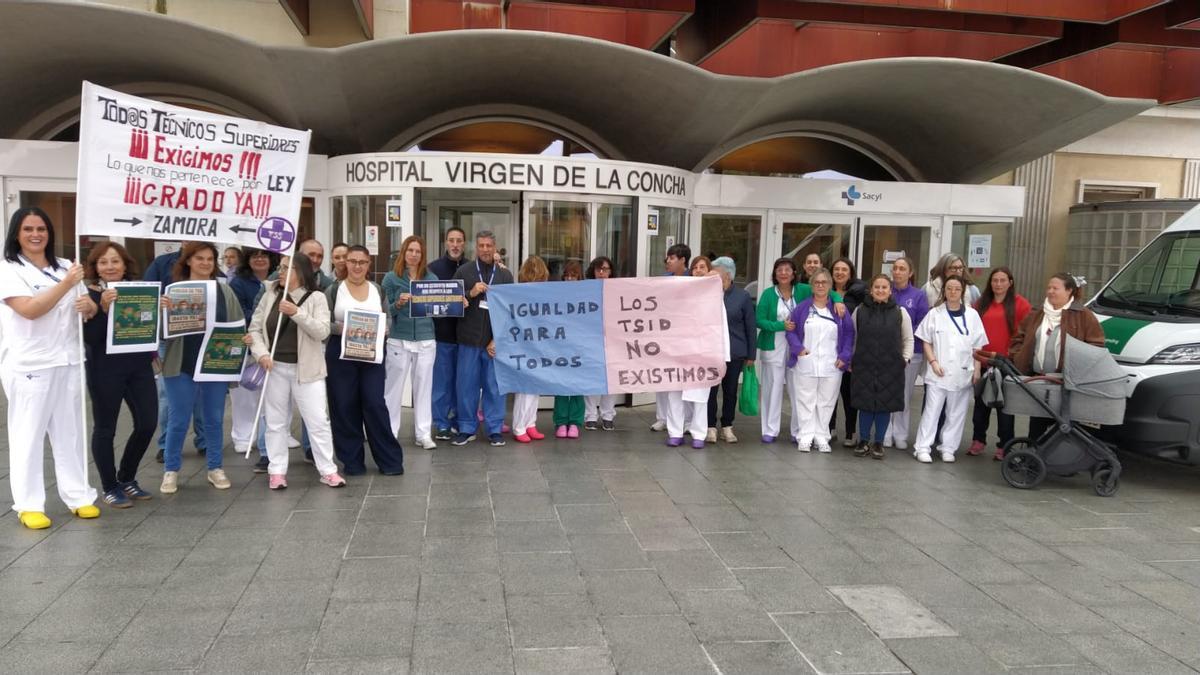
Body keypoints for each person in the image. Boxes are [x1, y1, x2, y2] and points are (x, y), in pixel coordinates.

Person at [0, 207, 99, 529]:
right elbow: (30, 310)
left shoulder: (66, 267)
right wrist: (66, 284)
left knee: (70, 434)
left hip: (68, 360)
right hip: (31, 363)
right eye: (28, 229)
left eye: (41, 228)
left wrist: (89, 306)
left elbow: (87, 308)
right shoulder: (9, 270)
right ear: (17, 233)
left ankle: (78, 495)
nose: (35, 234)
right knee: (28, 436)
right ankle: (28, 504)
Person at [248, 254, 345, 489]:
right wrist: (261, 354)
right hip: (275, 368)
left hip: (308, 370)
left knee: (318, 421)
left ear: (300, 272)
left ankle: (328, 470)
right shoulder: (270, 295)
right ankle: (277, 471)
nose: (279, 272)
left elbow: (322, 331)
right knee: (275, 422)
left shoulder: (317, 297)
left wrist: (296, 313)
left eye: (285, 269)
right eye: (280, 267)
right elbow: (255, 329)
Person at [159, 242, 242, 494]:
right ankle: (171, 470)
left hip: (214, 363)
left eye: (209, 259)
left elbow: (238, 324)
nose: (205, 263)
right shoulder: (171, 292)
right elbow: (159, 333)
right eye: (199, 258)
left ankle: (215, 468)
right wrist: (162, 312)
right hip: (181, 363)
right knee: (178, 419)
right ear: (187, 261)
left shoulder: (225, 290)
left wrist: (243, 341)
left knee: (214, 419)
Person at [82, 242, 157, 508]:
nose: (110, 267)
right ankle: (110, 486)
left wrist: (163, 311)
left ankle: (127, 477)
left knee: (148, 423)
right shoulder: (87, 294)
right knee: (105, 428)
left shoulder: (141, 291)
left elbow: (151, 329)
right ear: (95, 267)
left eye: (115, 261)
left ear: (125, 264)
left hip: (139, 367)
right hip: (104, 369)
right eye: (103, 262)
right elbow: (90, 338)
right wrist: (101, 308)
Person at [325, 245, 406, 475]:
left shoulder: (377, 290)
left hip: (371, 354)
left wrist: (385, 329)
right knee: (344, 405)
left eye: (362, 262)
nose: (357, 266)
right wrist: (341, 328)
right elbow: (323, 323)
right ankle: (352, 461)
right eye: (352, 261)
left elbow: (388, 318)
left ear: (369, 265)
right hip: (340, 354)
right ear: (344, 263)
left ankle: (390, 460)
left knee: (374, 403)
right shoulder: (333, 290)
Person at [1009, 273, 1106, 442]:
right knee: (1037, 421)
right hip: (1038, 379)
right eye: (1049, 288)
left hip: (1066, 383)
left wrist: (1078, 367)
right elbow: (1019, 337)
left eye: (1055, 288)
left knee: (1063, 424)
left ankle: (1060, 459)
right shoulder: (1038, 314)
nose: (1050, 291)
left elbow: (1096, 346)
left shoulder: (1083, 315)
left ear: (1069, 291)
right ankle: (1035, 455)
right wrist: (1018, 355)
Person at [913, 276, 987, 463]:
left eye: (956, 289)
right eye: (949, 288)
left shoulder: (972, 315)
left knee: (957, 412)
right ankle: (922, 447)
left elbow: (978, 346)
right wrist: (933, 362)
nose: (952, 292)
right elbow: (926, 340)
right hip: (938, 371)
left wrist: (977, 370)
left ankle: (948, 447)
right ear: (944, 291)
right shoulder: (935, 314)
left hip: (963, 372)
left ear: (962, 292)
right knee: (932, 411)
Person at [451, 230, 514, 447]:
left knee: (494, 387)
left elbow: (509, 311)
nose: (485, 249)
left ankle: (494, 429)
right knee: (466, 387)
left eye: (489, 245)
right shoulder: (464, 271)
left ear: (495, 247)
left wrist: (497, 339)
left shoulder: (505, 275)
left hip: (493, 344)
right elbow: (449, 304)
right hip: (468, 340)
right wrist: (470, 293)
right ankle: (467, 428)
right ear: (475, 248)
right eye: (481, 246)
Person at [786, 268, 854, 453]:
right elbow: (790, 330)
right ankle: (805, 436)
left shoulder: (839, 309)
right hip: (806, 362)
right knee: (805, 400)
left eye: (824, 282)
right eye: (817, 282)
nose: (821, 285)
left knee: (826, 401)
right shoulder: (802, 308)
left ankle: (822, 436)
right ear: (812, 286)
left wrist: (844, 356)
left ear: (830, 286)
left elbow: (849, 333)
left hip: (832, 363)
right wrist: (798, 349)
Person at [382, 235, 439, 450]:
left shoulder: (431, 279)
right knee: (393, 389)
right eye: (410, 250)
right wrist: (398, 303)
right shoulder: (391, 278)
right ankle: (390, 431)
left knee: (424, 388)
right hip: (399, 339)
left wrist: (455, 303)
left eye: (418, 251)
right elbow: (385, 312)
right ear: (404, 252)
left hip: (425, 339)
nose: (414, 254)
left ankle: (423, 433)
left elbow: (438, 310)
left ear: (422, 255)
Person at [969, 267, 1032, 460]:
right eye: (995, 280)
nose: (998, 284)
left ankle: (1005, 445)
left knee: (1005, 408)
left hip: (1006, 364)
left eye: (1002, 280)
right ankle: (978, 440)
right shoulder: (981, 304)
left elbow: (1026, 335)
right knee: (981, 405)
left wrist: (1016, 357)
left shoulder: (1020, 304)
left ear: (1010, 282)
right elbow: (972, 332)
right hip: (983, 360)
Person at [850, 274, 914, 460]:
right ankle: (863, 440)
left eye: (884, 287)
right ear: (871, 289)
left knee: (883, 406)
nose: (880, 290)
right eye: (877, 287)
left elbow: (908, 339)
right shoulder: (860, 311)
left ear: (890, 290)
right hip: (864, 365)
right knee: (865, 404)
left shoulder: (901, 312)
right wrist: (853, 359)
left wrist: (905, 359)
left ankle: (878, 442)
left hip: (891, 367)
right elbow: (853, 337)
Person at [229, 247, 279, 467]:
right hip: (247, 343)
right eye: (254, 256)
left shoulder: (279, 279)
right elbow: (238, 311)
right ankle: (242, 435)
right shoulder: (238, 283)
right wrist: (263, 318)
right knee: (244, 393)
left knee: (271, 395)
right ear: (247, 261)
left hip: (272, 345)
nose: (260, 259)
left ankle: (268, 435)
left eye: (264, 255)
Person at [705, 257, 756, 444]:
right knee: (710, 390)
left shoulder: (742, 296)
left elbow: (750, 326)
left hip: (734, 352)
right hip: (711, 351)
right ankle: (710, 426)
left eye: (715, 273)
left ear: (727, 275)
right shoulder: (706, 293)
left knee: (730, 390)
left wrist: (751, 355)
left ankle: (727, 425)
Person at [428, 228, 469, 440]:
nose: (455, 245)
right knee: (442, 384)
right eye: (451, 240)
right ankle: (441, 423)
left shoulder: (472, 268)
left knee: (462, 385)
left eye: (459, 241)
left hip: (465, 337)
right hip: (442, 336)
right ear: (446, 243)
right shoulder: (433, 269)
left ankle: (457, 421)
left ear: (464, 243)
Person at [886, 257, 929, 450]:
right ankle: (885, 433)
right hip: (886, 351)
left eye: (902, 268)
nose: (897, 272)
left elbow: (923, 324)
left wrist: (905, 336)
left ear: (910, 273)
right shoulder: (886, 291)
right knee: (886, 392)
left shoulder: (918, 295)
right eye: (895, 268)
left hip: (912, 352)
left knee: (904, 394)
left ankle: (900, 434)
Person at [651, 243, 692, 434]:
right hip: (665, 335)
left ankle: (687, 420)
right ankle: (662, 417)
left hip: (686, 336)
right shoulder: (663, 280)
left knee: (685, 380)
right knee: (663, 377)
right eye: (667, 258)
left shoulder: (694, 279)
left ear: (683, 260)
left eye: (672, 258)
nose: (668, 261)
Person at [511, 256, 550, 443]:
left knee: (535, 387)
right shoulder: (518, 294)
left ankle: (530, 423)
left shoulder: (543, 294)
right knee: (524, 389)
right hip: (523, 345)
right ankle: (519, 426)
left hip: (539, 344)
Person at [830, 257, 868, 447]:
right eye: (836, 269)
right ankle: (829, 428)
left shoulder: (860, 294)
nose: (839, 272)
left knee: (848, 393)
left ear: (851, 273)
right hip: (828, 349)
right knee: (829, 393)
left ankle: (851, 431)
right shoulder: (824, 291)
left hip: (849, 349)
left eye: (844, 269)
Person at [583, 256, 618, 431]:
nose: (602, 273)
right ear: (593, 271)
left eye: (606, 269)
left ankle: (608, 414)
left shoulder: (619, 289)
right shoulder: (585, 289)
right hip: (591, 338)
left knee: (611, 378)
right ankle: (590, 415)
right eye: (599, 270)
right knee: (591, 377)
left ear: (611, 271)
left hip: (614, 340)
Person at [553, 261, 587, 438]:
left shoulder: (587, 296)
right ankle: (560, 422)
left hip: (579, 347)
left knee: (576, 386)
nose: (570, 279)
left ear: (579, 277)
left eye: (573, 275)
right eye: (567, 275)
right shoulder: (556, 295)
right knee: (560, 385)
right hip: (560, 346)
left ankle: (574, 422)